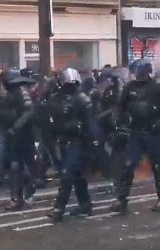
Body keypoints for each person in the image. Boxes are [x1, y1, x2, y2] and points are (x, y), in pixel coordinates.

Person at [110, 59, 160, 214]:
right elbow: (120, 107)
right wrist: (120, 124)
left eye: (142, 73)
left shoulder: (159, 86)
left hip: (154, 132)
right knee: (128, 165)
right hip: (136, 132)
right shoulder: (129, 87)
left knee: (158, 166)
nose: (140, 76)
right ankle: (121, 199)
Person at [46, 68, 92, 223]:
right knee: (77, 176)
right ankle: (85, 204)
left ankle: (59, 209)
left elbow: (90, 123)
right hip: (62, 141)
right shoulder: (55, 99)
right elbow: (51, 122)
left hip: (78, 142)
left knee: (68, 176)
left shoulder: (83, 99)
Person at [0, 68, 38, 210]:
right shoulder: (9, 94)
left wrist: (15, 127)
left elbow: (28, 112)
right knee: (15, 167)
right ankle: (19, 196)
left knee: (20, 166)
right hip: (11, 134)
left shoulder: (21, 92)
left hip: (23, 135)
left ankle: (25, 193)